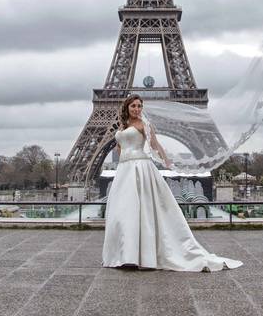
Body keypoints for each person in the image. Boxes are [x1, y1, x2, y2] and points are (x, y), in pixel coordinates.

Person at [102, 94, 243, 272]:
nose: (137, 109)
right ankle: (126, 254)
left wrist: (167, 160)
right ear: (127, 108)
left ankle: (138, 256)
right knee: (123, 212)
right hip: (125, 171)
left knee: (140, 209)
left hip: (140, 169)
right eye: (133, 106)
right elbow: (121, 147)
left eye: (139, 106)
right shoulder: (123, 126)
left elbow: (155, 145)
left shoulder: (144, 125)